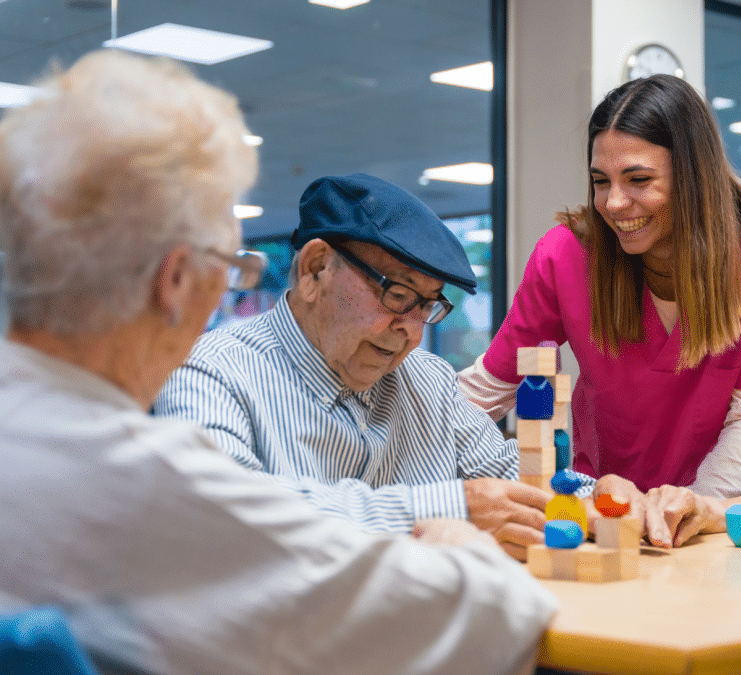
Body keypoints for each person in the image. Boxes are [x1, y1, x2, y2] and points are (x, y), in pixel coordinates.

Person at [0, 49, 555, 675]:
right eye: (233, 268)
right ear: (177, 279)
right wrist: (457, 538)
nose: (406, 327)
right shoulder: (149, 481)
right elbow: (486, 623)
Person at [458, 74, 741, 546]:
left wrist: (693, 508)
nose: (614, 203)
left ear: (692, 177)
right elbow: (487, 391)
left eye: (639, 180)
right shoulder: (567, 256)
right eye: (600, 181)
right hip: (607, 517)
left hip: (711, 520)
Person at [154, 172, 550, 561]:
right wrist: (449, 507)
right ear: (315, 269)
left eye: (428, 305)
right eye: (397, 294)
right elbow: (225, 516)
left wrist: (596, 496)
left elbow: (514, 476)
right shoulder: (209, 373)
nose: (411, 332)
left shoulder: (428, 381)